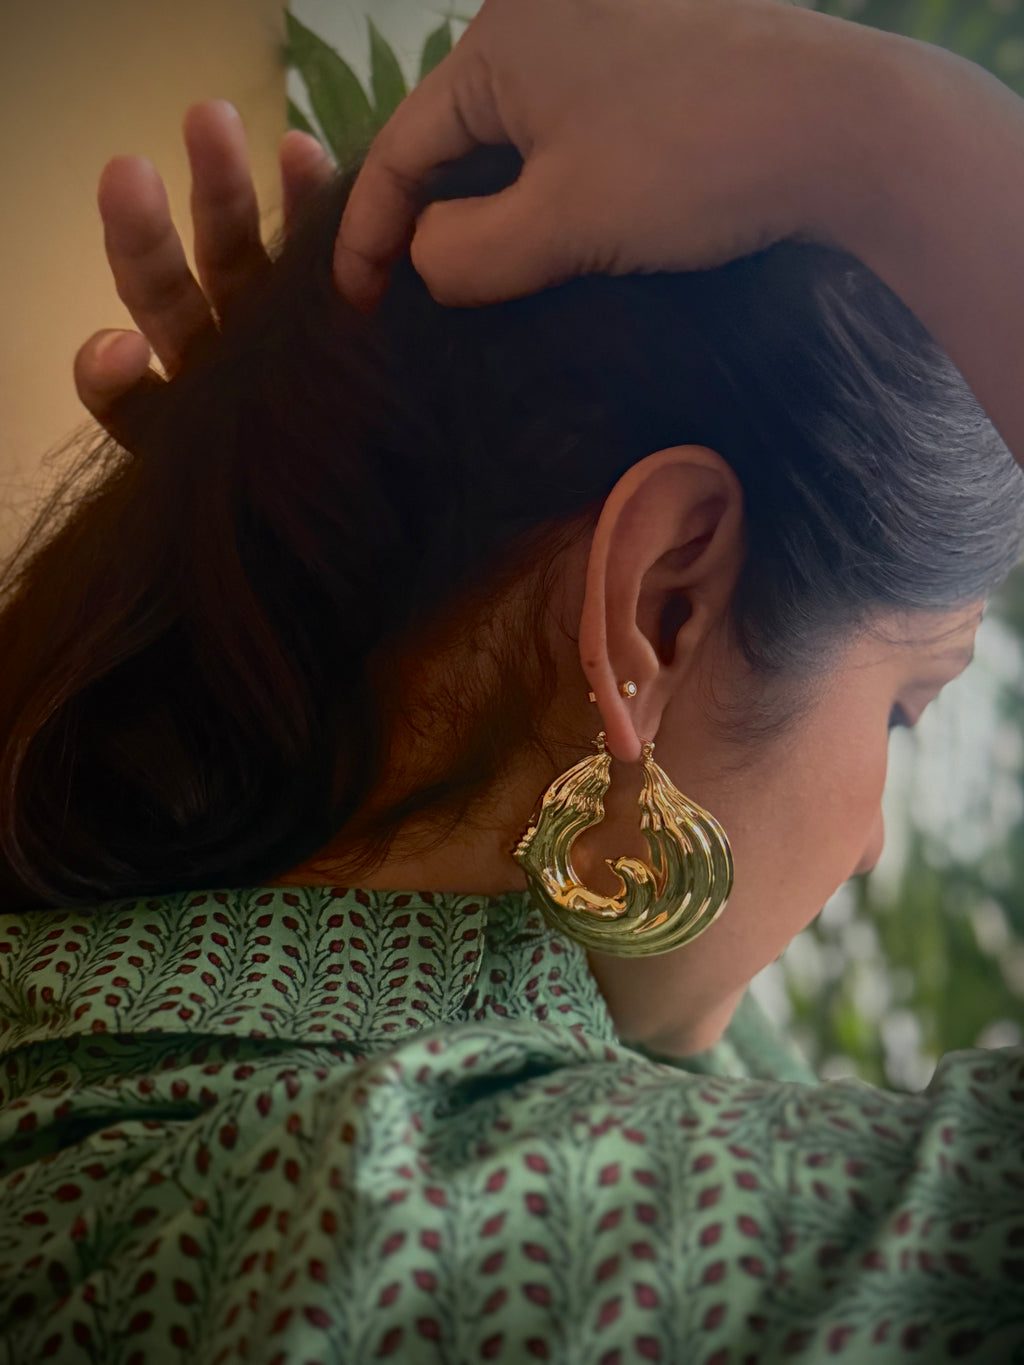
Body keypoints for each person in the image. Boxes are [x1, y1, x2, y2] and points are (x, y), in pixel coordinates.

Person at [3, 0, 1024, 1360]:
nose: (876, 837)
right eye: (903, 704)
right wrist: (892, 130)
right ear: (663, 603)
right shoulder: (451, 1224)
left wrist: (265, 543)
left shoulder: (119, 1038)